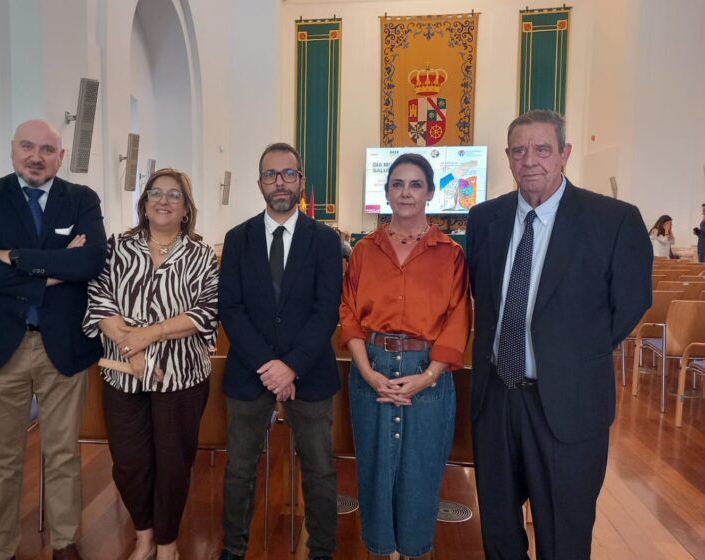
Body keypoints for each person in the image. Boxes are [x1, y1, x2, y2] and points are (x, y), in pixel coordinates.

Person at [466, 110, 652, 560]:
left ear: (564, 154)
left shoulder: (613, 221)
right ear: (509, 158)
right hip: (496, 401)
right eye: (519, 151)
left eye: (542, 149)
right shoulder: (483, 219)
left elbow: (630, 303)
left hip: (568, 407)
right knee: (499, 533)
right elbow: (482, 296)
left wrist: (570, 354)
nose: (530, 160)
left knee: (563, 537)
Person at [0, 119, 107, 560]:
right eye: (28, 146)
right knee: (2, 460)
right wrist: (55, 267)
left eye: (46, 149)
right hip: (1, 346)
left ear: (60, 157)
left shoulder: (81, 199)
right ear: (12, 150)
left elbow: (92, 262)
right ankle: (0, 548)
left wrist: (16, 258)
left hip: (62, 347)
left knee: (62, 454)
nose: (36, 157)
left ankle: (65, 542)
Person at [339, 153, 471, 560]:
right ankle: (381, 551)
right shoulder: (363, 251)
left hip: (426, 373)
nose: (406, 193)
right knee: (375, 472)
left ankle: (413, 552)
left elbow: (458, 317)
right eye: (397, 184)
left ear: (430, 192)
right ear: (387, 192)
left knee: (420, 472)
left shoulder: (450, 254)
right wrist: (366, 371)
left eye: (416, 184)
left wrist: (428, 376)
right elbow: (348, 312)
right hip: (371, 370)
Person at [83, 168, 218, 560]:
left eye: (174, 195)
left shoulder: (200, 255)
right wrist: (133, 348)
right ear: (144, 204)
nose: (163, 200)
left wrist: (149, 334)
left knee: (173, 464)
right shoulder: (117, 248)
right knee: (129, 462)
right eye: (155, 193)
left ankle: (167, 543)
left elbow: (205, 313)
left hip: (182, 377)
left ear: (186, 208)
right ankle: (143, 533)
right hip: (123, 376)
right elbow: (98, 298)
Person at [218, 142, 343, 560]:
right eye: (271, 175)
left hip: (308, 370)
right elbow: (230, 309)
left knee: (320, 469)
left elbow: (327, 311)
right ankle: (233, 549)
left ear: (301, 181)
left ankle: (322, 550)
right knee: (239, 469)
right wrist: (267, 365)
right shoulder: (238, 239)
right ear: (259, 184)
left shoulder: (325, 241)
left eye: (288, 174)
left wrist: (290, 365)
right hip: (249, 371)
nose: (280, 183)